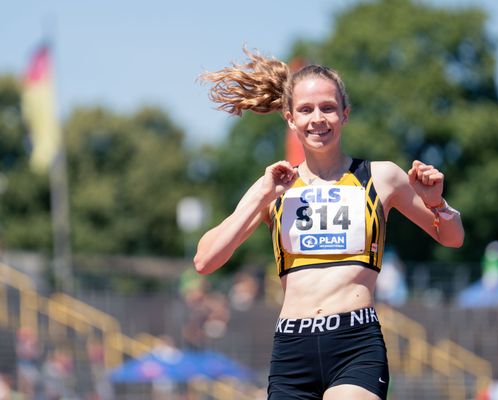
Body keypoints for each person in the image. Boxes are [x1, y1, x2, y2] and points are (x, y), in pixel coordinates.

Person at [194, 48, 464, 400]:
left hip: (354, 344)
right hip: (292, 349)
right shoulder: (274, 186)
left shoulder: (381, 178)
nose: (317, 119)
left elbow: (453, 238)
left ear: (345, 114)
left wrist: (436, 203)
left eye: (328, 108)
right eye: (306, 110)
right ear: (290, 119)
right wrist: (262, 194)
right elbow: (204, 260)